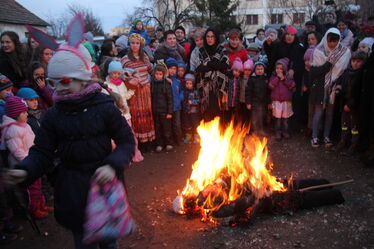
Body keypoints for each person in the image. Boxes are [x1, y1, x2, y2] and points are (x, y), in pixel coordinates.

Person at [4, 18, 135, 248]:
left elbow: (126, 141)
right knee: (82, 242)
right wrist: (24, 171)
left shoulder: (104, 107)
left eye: (64, 80)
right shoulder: (54, 115)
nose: (58, 87)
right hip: (74, 190)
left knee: (109, 243)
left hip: (104, 188)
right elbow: (42, 151)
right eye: (53, 81)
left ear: (82, 77)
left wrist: (113, 164)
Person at [16, 88, 54, 218]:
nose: (35, 102)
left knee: (41, 182)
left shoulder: (40, 114)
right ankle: (35, 208)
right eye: (31, 100)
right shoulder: (26, 120)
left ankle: (42, 204)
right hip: (30, 157)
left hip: (40, 152)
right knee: (33, 188)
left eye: (35, 99)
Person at [309, 28, 350, 148]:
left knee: (330, 113)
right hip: (320, 86)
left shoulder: (344, 52)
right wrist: (328, 64)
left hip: (334, 86)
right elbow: (314, 71)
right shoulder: (318, 51)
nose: (332, 43)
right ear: (326, 39)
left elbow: (342, 70)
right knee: (318, 112)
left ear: (339, 40)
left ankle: (326, 136)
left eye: (335, 41)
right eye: (330, 40)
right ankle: (315, 136)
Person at [103, 61, 143, 162]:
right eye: (113, 73)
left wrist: (132, 91)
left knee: (130, 136)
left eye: (117, 73)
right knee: (117, 138)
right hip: (115, 116)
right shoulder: (106, 86)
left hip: (126, 115)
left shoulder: (122, 84)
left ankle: (133, 154)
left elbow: (125, 96)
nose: (115, 75)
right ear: (109, 73)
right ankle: (121, 157)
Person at [121, 33, 155, 152]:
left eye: (137, 43)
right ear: (129, 44)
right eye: (132, 43)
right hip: (134, 92)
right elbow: (122, 76)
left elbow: (152, 71)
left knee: (147, 115)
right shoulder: (125, 59)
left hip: (146, 91)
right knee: (136, 116)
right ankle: (139, 144)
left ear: (140, 45)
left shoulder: (144, 57)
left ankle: (149, 142)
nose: (135, 45)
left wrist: (165, 75)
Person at [334, 51, 366, 155]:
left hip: (354, 106)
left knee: (354, 127)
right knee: (344, 124)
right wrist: (338, 88)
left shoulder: (362, 74)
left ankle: (353, 145)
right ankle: (343, 141)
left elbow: (358, 92)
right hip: (344, 103)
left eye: (358, 61)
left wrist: (350, 105)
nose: (355, 63)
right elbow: (340, 81)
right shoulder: (347, 72)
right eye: (353, 61)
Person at [196, 28, 229, 122]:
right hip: (205, 86)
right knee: (207, 112)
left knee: (219, 111)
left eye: (212, 37)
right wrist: (216, 66)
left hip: (219, 86)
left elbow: (225, 65)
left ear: (216, 38)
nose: (210, 39)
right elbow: (198, 68)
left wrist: (208, 64)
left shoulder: (222, 50)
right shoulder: (200, 51)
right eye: (208, 36)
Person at [268, 58, 296, 140]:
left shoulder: (288, 77)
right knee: (277, 119)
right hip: (276, 101)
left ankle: (285, 131)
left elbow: (292, 86)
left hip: (286, 102)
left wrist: (284, 79)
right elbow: (270, 86)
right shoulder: (273, 76)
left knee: (285, 119)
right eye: (277, 68)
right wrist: (277, 78)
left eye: (281, 68)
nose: (279, 70)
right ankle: (278, 132)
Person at [151, 64, 173, 152]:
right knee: (158, 129)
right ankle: (159, 144)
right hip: (156, 111)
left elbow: (170, 99)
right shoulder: (152, 83)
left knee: (166, 128)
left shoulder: (166, 84)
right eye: (156, 74)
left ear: (163, 75)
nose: (158, 76)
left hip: (164, 111)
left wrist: (170, 112)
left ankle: (168, 143)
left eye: (160, 74)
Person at [245, 62, 269, 136]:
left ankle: (261, 130)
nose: (260, 70)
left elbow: (268, 92)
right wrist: (248, 102)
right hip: (254, 102)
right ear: (254, 70)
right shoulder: (252, 79)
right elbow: (248, 92)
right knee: (254, 118)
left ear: (264, 70)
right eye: (258, 69)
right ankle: (254, 131)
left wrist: (269, 102)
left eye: (261, 69)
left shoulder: (266, 79)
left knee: (262, 117)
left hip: (263, 102)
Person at [165, 58, 184, 145]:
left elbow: (181, 91)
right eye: (170, 68)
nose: (172, 71)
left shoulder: (178, 81)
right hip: (167, 107)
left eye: (174, 69)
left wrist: (180, 98)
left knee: (177, 124)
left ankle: (179, 140)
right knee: (168, 125)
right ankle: (170, 141)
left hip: (177, 106)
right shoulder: (165, 81)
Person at [182, 73, 200, 143]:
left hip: (194, 112)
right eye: (187, 83)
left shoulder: (195, 92)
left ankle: (196, 137)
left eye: (190, 83)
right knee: (187, 124)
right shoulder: (184, 91)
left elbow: (199, 100)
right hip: (186, 111)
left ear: (193, 84)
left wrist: (192, 102)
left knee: (195, 124)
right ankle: (188, 136)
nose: (188, 85)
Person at [225, 57, 243, 123]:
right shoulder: (228, 78)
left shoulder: (239, 80)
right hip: (228, 102)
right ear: (232, 70)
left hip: (235, 103)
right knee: (227, 117)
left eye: (239, 72)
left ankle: (233, 129)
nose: (236, 73)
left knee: (234, 117)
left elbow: (239, 92)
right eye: (235, 70)